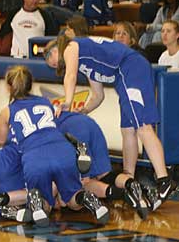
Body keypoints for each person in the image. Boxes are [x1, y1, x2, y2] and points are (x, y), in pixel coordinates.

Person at [45, 35, 177, 211]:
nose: (53, 65)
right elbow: (98, 96)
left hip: (130, 68)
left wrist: (68, 102)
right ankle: (128, 178)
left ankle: (164, 180)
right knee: (127, 130)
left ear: (56, 49)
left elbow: (70, 77)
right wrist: (83, 110)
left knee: (143, 127)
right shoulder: (87, 64)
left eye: (50, 59)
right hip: (125, 75)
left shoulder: (70, 47)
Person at [0, 65, 109, 226]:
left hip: (35, 157)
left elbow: (0, 142)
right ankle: (88, 199)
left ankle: (38, 202)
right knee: (73, 198)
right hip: (63, 150)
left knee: (45, 207)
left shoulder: (7, 111)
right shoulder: (46, 102)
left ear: (9, 87)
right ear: (31, 85)